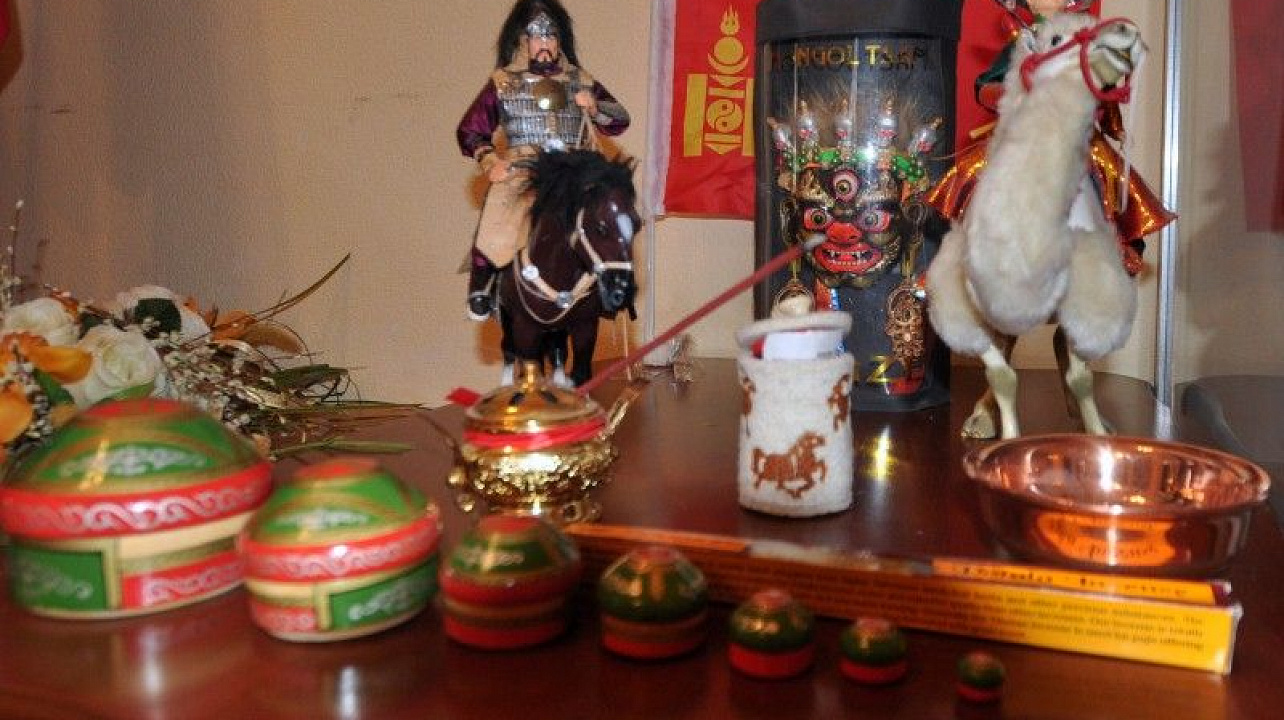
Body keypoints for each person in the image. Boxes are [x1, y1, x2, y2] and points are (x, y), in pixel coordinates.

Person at [456, 0, 630, 320]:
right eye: (538, 36)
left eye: (551, 36)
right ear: (524, 40)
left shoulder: (580, 80)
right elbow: (470, 130)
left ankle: (615, 279)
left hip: (574, 167)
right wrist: (490, 161)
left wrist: (594, 107)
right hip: (524, 167)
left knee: (612, 208)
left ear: (560, 41)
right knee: (499, 210)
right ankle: (483, 284)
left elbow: (620, 119)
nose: (545, 44)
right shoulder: (504, 83)